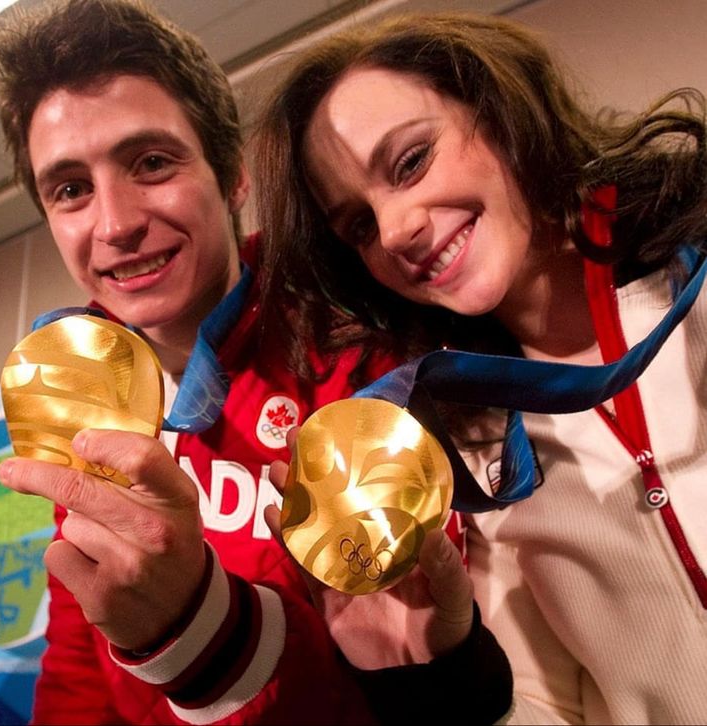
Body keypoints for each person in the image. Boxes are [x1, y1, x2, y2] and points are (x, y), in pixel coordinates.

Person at [0, 1, 512, 724]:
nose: (115, 223)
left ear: (232, 174)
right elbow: (77, 663)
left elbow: (407, 669)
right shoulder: (80, 400)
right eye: (71, 189)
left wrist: (194, 626)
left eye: (151, 162)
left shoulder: (363, 347)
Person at [252, 10, 707, 725]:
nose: (396, 230)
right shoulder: (476, 456)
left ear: (497, 112)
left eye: (409, 162)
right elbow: (552, 711)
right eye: (360, 226)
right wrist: (450, 675)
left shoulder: (695, 274)